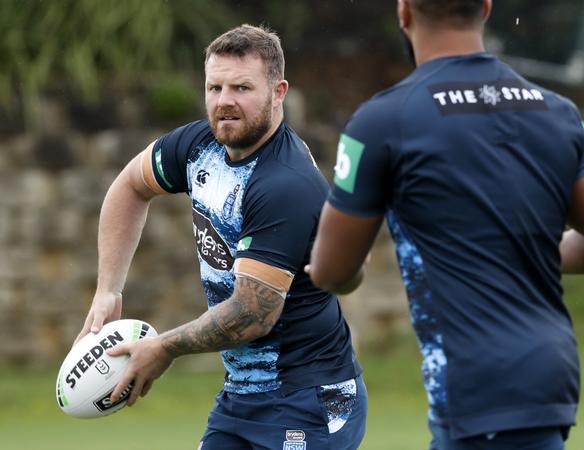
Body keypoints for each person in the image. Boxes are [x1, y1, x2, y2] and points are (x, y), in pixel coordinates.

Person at [307, 1, 584, 449]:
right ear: (486, 9)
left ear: (404, 11)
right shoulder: (556, 110)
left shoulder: (383, 121)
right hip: (549, 375)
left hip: (477, 383)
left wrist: (347, 271)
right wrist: (523, 250)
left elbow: (332, 270)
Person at [74, 24, 366, 450]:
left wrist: (164, 348)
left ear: (278, 92)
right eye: (215, 87)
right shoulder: (198, 145)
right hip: (241, 398)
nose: (224, 101)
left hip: (310, 400)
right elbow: (129, 187)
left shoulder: (284, 183)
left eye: (242, 87)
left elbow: (252, 313)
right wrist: (107, 290)